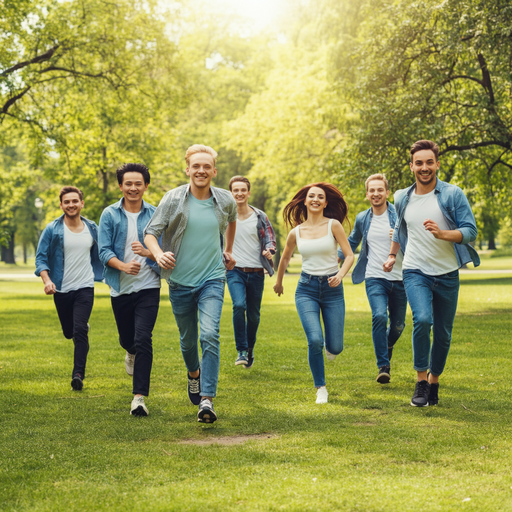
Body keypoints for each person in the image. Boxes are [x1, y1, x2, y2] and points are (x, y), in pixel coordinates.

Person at [144, 144, 237, 424]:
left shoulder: (225, 200)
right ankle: (194, 373)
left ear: (214, 171)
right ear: (187, 169)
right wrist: (159, 254)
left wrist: (228, 250)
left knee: (209, 334)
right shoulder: (173, 199)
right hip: (180, 282)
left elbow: (232, 220)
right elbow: (150, 233)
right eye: (196, 166)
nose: (201, 171)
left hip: (213, 278)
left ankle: (206, 399)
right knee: (187, 341)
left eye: (206, 166)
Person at [383, 140, 480, 407]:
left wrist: (442, 234)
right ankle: (421, 381)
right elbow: (399, 228)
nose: (424, 168)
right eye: (419, 163)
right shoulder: (402, 196)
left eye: (429, 162)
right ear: (411, 165)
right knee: (422, 320)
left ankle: (435, 382)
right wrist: (393, 255)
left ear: (437, 164)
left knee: (444, 334)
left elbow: (470, 231)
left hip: (447, 274)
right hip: (415, 271)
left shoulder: (452, 194)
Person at [273, 182, 354, 404]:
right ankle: (321, 388)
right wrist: (279, 282)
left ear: (326, 202)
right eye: (312, 196)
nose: (316, 199)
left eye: (320, 197)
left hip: (332, 289)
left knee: (335, 346)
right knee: (315, 340)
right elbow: (286, 257)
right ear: (305, 201)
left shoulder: (333, 225)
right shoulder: (296, 232)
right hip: (306, 289)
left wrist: (340, 275)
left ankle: (331, 348)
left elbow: (349, 255)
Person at [98, 163, 161, 417]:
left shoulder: (156, 214)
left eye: (138, 183)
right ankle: (130, 351)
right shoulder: (109, 214)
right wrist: (123, 266)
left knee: (143, 338)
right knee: (128, 340)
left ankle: (139, 398)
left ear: (146, 185)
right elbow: (103, 251)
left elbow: (163, 251)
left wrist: (149, 254)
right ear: (121, 186)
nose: (133, 188)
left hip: (149, 286)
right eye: (128, 183)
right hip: (120, 288)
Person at [338, 174, 407, 384]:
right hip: (374, 276)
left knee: (398, 326)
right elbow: (352, 241)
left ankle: (386, 346)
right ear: (367, 194)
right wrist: (335, 259)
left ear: (387, 193)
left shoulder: (401, 214)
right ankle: (383, 366)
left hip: (401, 278)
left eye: (380, 190)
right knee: (379, 316)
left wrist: (399, 237)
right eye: (372, 190)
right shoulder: (363, 218)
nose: (376, 194)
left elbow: (417, 239)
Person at [35, 186, 103, 391]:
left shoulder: (92, 228)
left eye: (75, 201)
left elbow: (104, 252)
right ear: (61, 205)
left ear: (82, 203)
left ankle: (78, 375)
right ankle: (76, 329)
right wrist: (47, 280)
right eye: (67, 202)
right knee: (69, 332)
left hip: (85, 287)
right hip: (62, 290)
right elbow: (41, 258)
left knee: (80, 329)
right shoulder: (52, 229)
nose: (71, 205)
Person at [227, 176, 276, 368]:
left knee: (254, 315)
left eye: (242, 190)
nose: (239, 193)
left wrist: (269, 250)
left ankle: (249, 349)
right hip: (234, 270)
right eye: (235, 190)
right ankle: (241, 350)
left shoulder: (259, 216)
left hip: (256, 272)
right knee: (239, 305)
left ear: (248, 192)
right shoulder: (225, 216)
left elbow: (270, 239)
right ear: (231, 193)